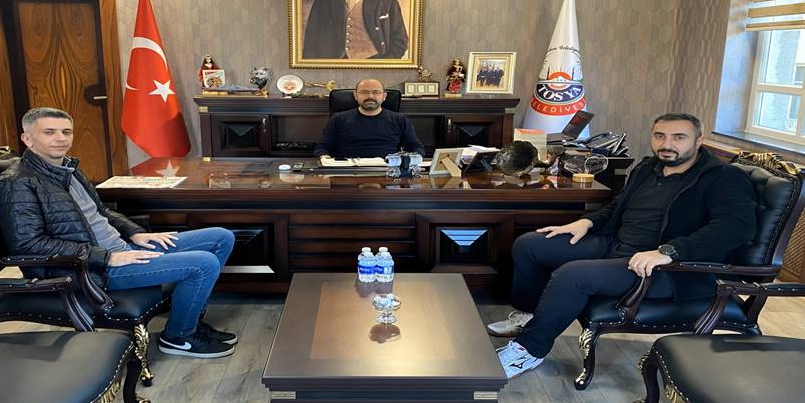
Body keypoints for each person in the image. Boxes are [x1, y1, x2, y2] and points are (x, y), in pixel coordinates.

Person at [489, 113, 757, 379]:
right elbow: (618, 205)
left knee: (572, 275)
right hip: (617, 244)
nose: (667, 144)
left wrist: (669, 251)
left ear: (698, 141)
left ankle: (529, 350)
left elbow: (735, 227)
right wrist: (587, 222)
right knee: (530, 245)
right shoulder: (647, 167)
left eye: (679, 137)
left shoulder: (723, 177)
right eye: (660, 136)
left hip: (667, 269)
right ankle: (531, 316)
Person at [0, 107, 238, 359]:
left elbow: (101, 212)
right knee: (203, 263)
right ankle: (178, 336)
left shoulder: (68, 168)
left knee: (220, 237)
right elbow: (29, 244)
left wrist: (134, 232)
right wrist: (106, 257)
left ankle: (190, 320)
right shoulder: (16, 183)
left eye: (66, 132)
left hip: (121, 249)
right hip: (89, 269)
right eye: (49, 132)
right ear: (28, 138)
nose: (61, 138)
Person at [315, 78, 424, 159]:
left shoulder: (400, 119)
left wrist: (413, 158)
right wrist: (324, 156)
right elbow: (322, 147)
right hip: (348, 171)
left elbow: (416, 147)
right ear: (355, 95)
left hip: (388, 171)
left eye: (376, 92)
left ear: (384, 96)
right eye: (364, 92)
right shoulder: (338, 119)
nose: (370, 96)